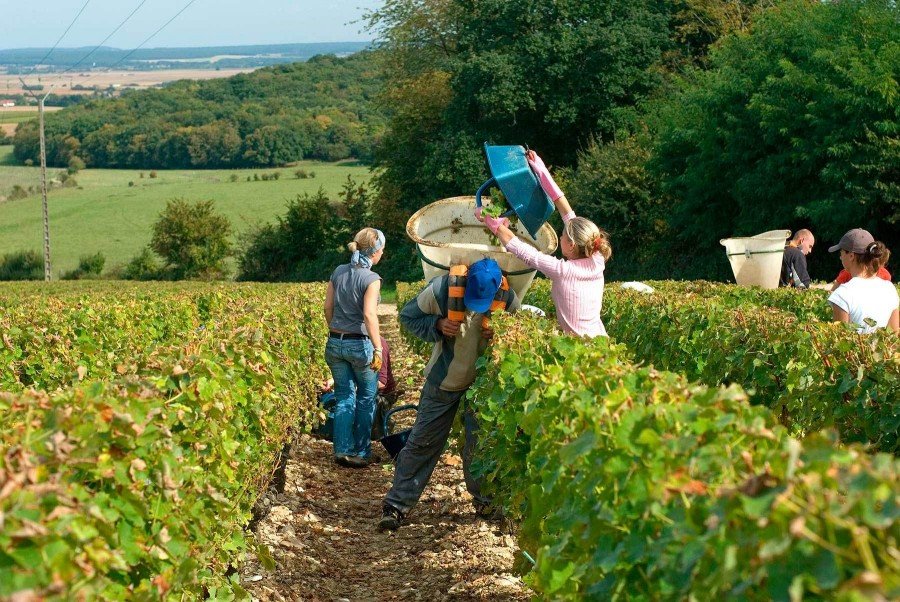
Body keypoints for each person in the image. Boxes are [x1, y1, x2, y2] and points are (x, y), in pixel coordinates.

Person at [378, 258, 520, 530]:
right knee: (422, 441)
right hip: (443, 381)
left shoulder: (508, 298)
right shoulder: (442, 289)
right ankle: (396, 506)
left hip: (482, 387)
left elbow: (518, 336)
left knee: (480, 446)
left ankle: (485, 503)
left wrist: (503, 338)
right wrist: (438, 326)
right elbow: (408, 316)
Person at [476, 150, 610, 338]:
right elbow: (566, 210)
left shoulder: (562, 270)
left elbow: (522, 250)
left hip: (579, 348)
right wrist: (539, 169)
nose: (561, 237)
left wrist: (489, 219)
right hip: (600, 340)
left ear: (572, 245)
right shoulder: (597, 258)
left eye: (563, 235)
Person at [324, 227, 386, 468]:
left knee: (344, 396)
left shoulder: (338, 272)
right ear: (376, 252)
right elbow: (369, 315)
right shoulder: (372, 279)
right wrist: (378, 348)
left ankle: (342, 449)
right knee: (366, 398)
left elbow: (327, 308)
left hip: (335, 342)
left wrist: (336, 331)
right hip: (359, 344)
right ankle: (361, 452)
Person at [826, 229, 898, 334]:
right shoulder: (890, 288)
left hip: (857, 350)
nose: (840, 257)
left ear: (851, 256)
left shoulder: (842, 294)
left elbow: (840, 341)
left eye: (841, 252)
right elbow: (894, 337)